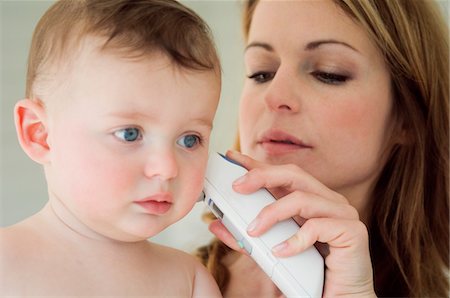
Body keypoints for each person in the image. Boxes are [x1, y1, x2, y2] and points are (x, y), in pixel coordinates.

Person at [196, 0, 449, 297]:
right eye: (261, 72)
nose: (275, 95)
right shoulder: (163, 279)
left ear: (406, 116)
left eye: (328, 73)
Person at [0, 0, 222, 296]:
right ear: (40, 135)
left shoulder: (189, 280)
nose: (167, 167)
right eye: (130, 134)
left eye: (189, 139)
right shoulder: (7, 262)